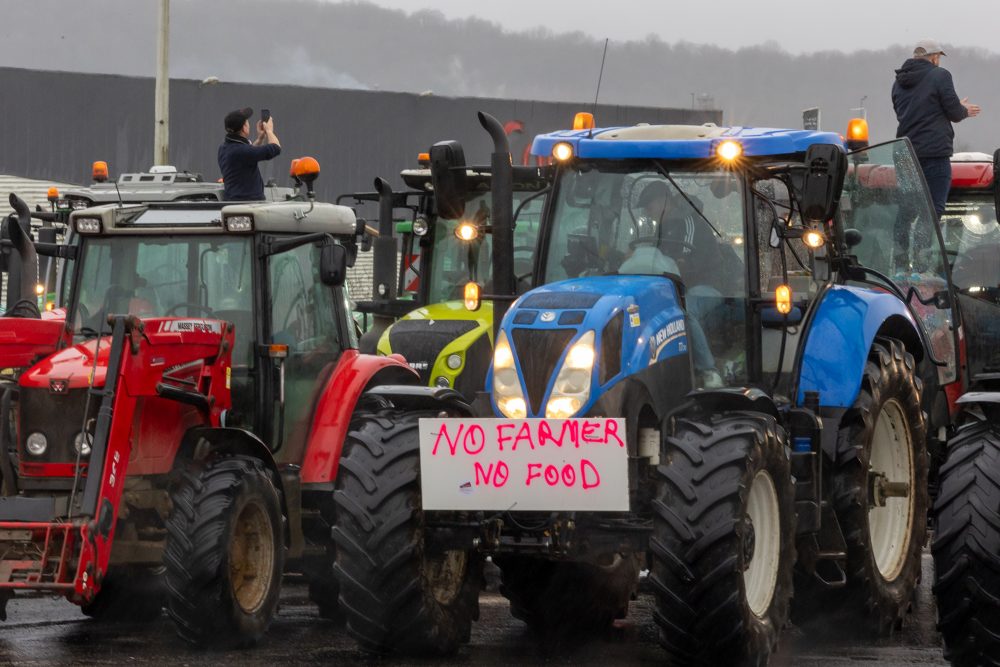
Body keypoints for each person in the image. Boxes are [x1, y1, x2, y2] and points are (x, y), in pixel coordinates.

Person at [892, 39, 980, 217]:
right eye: (938, 57)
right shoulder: (940, 75)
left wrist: (954, 106)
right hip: (933, 152)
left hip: (905, 152)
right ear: (933, 57)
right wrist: (964, 110)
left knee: (907, 209)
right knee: (933, 209)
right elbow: (954, 113)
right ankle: (925, 246)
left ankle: (900, 245)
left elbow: (910, 112)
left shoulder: (898, 82)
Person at [218, 107, 282, 201]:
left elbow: (248, 153)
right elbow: (276, 148)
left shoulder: (224, 147)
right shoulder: (241, 151)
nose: (249, 124)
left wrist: (260, 139)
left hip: (235, 202)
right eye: (247, 122)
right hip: (248, 204)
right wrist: (269, 131)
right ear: (244, 128)